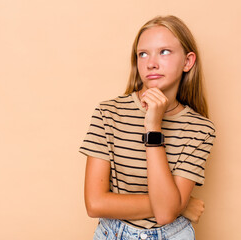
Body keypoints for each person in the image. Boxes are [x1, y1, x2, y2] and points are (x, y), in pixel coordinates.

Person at [79, 15, 216, 239]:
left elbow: (165, 215)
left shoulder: (200, 129)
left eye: (164, 52)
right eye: (143, 54)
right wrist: (181, 205)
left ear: (187, 62)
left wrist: (153, 128)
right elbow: (95, 203)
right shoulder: (109, 113)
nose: (151, 63)